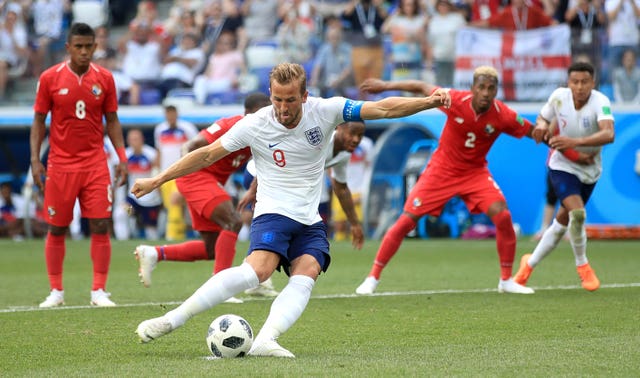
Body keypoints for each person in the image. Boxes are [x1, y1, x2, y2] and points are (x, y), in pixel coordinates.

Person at [130, 62, 451, 357]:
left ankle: (266, 339)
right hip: (273, 211)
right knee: (259, 270)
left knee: (308, 271)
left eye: (290, 100)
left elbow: (381, 108)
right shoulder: (254, 124)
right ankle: (172, 319)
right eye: (277, 100)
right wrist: (158, 179)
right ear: (271, 95)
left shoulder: (327, 110)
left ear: (305, 96)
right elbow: (206, 154)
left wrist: (428, 102)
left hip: (309, 218)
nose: (283, 109)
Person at [354, 66, 589, 296]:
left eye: (491, 88)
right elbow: (421, 86)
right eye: (482, 87)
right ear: (473, 88)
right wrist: (385, 85)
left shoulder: (503, 115)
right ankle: (372, 278)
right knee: (406, 220)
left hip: (475, 173)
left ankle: (506, 280)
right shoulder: (455, 99)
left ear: (496, 90)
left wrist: (571, 152)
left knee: (503, 216)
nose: (486, 93)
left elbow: (538, 133)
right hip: (441, 170)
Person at [134, 93, 272, 303]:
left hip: (209, 181)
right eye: (264, 111)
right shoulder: (229, 125)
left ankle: (154, 253)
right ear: (249, 113)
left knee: (211, 248)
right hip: (196, 176)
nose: (268, 116)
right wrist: (181, 168)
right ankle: (221, 288)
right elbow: (192, 145)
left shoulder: (262, 133)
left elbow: (262, 166)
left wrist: (252, 190)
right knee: (233, 222)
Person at [30, 23, 128, 308]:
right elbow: (38, 121)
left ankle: (98, 290)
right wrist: (36, 160)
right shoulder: (50, 78)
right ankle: (56, 291)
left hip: (95, 162)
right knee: (57, 227)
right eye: (79, 47)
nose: (84, 52)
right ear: (68, 48)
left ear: (95, 47)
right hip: (60, 164)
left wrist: (121, 157)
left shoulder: (105, 79)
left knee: (100, 223)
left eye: (89, 46)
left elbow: (112, 120)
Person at [514, 61, 615, 291]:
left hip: (590, 171)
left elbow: (609, 134)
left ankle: (528, 265)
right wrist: (540, 127)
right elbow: (542, 119)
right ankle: (583, 266)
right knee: (577, 214)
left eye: (584, 82)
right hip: (561, 165)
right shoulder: (559, 97)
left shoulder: (601, 102)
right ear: (568, 83)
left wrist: (574, 142)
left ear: (593, 83)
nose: (579, 87)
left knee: (562, 222)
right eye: (575, 82)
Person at [154, 105, 199, 241]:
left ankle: (173, 236)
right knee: (170, 206)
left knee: (175, 203)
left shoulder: (187, 128)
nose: (170, 117)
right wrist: (156, 173)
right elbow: (159, 151)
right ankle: (181, 234)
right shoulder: (160, 129)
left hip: (182, 172)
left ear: (176, 114)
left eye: (172, 113)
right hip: (165, 174)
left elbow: (197, 147)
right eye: (167, 114)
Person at [125, 129, 162, 240]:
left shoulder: (152, 154)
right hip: (133, 196)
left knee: (150, 228)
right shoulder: (125, 155)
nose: (134, 142)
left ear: (142, 140)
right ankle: (127, 237)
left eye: (136, 139)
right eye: (131, 139)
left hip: (150, 197)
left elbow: (157, 173)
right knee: (124, 212)